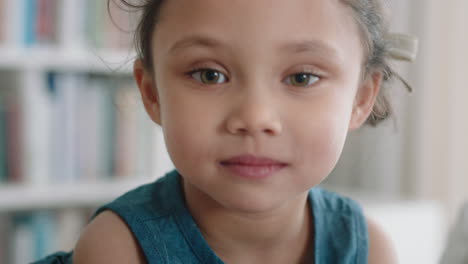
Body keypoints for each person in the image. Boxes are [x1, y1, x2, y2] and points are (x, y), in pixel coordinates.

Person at [34, 0, 418, 263]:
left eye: (302, 77)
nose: (254, 117)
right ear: (151, 93)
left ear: (361, 98)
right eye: (209, 74)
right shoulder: (120, 249)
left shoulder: (366, 250)